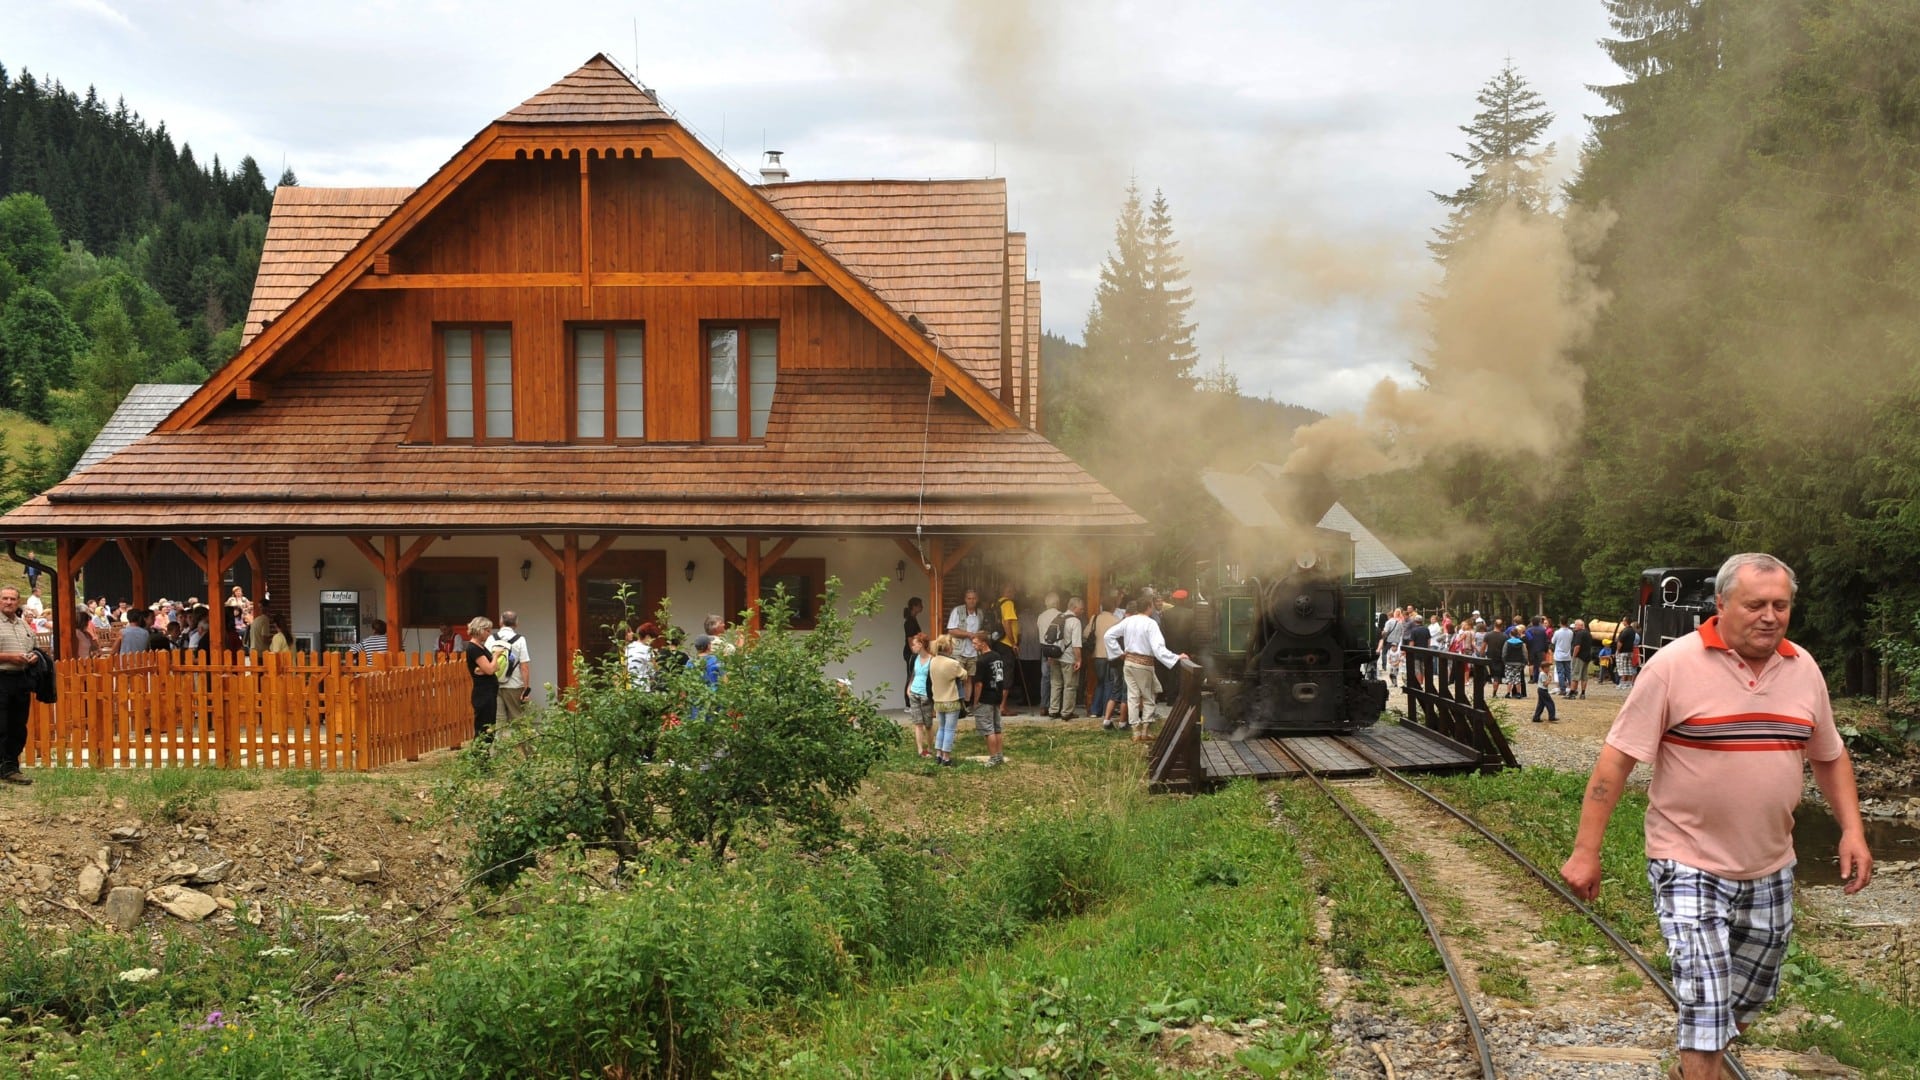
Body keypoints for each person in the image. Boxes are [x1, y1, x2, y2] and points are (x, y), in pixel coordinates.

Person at [1561, 553, 1871, 1080]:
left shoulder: (1804, 669)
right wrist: (1586, 850)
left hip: (1771, 865)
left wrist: (1853, 830)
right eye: (1755, 605)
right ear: (1722, 604)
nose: (1769, 616)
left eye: (1780, 605)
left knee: (1747, 996)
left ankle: (1696, 1068)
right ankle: (1701, 1064)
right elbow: (1617, 759)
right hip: (1686, 859)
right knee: (1705, 1004)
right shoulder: (1672, 666)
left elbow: (1828, 754)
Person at [1103, 596, 1188, 742]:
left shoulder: (1128, 620)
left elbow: (1108, 635)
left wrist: (1119, 653)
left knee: (1133, 696)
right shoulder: (1151, 623)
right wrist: (1175, 657)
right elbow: (1158, 647)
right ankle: (1144, 731)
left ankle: (1135, 732)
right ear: (1149, 607)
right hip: (1143, 664)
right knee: (1149, 697)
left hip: (1129, 663)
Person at [0, 587, 38, 786]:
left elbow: (34, 647)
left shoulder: (23, 625)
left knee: (17, 726)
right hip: (1, 678)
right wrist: (9, 657)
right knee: (1, 725)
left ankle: (11, 767)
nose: (8, 602)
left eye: (12, 599)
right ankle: (2, 768)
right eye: (5, 598)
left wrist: (33, 657)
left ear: (18, 601)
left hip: (21, 679)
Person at [487, 611, 534, 731]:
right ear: (516, 624)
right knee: (519, 721)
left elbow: (486, 662)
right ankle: (525, 749)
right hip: (514, 685)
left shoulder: (491, 638)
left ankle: (498, 749)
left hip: (494, 685)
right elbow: (524, 666)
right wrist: (526, 689)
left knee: (498, 723)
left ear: (501, 622)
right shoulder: (520, 640)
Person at [926, 634, 966, 767]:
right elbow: (963, 675)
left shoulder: (932, 661)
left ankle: (938, 754)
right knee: (949, 729)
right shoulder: (953, 663)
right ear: (949, 648)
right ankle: (946, 757)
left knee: (941, 727)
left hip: (938, 700)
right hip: (951, 700)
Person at [972, 631, 1009, 767]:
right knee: (997, 727)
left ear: (983, 643)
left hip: (985, 697)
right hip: (996, 695)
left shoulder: (982, 661)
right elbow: (1000, 677)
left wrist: (976, 701)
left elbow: (978, 683)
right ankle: (999, 755)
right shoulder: (997, 657)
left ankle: (993, 757)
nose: (973, 645)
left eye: (975, 643)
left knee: (988, 730)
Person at [1047, 596, 1085, 720]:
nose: (1082, 611)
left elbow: (1050, 638)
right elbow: (1076, 644)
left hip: (1055, 655)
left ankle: (1053, 710)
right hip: (1068, 657)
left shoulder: (1059, 617)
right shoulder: (1075, 621)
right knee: (1070, 685)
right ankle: (1066, 712)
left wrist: (1050, 655)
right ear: (1074, 608)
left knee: (1055, 684)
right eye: (1081, 608)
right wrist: (1079, 660)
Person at [463, 616, 499, 743]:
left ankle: (484, 756)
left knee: (490, 726)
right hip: (483, 693)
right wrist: (495, 656)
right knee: (484, 728)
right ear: (479, 630)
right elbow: (490, 669)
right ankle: (480, 757)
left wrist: (487, 668)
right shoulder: (474, 648)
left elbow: (496, 668)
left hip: (489, 691)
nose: (489, 634)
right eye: (487, 631)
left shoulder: (482, 647)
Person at [1091, 594, 1123, 728]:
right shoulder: (1116, 620)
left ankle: (1094, 710)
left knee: (1099, 683)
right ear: (1113, 607)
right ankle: (1106, 711)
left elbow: (1087, 633)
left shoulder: (1095, 618)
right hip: (1110, 656)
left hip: (1097, 655)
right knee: (1109, 683)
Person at [904, 632, 933, 758]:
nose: (912, 647)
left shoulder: (932, 659)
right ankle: (920, 750)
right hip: (914, 692)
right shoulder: (913, 658)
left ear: (921, 645)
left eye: (914, 644)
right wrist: (909, 687)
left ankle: (930, 748)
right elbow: (912, 674)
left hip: (926, 694)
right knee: (918, 723)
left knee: (928, 724)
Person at [1031, 591, 1061, 714]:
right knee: (1056, 678)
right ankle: (1055, 705)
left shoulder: (1041, 616)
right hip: (1057, 649)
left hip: (1044, 648)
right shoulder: (1060, 615)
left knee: (1045, 677)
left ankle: (1044, 705)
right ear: (1057, 603)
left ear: (1046, 603)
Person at [946, 588, 985, 681]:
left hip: (974, 652)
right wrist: (968, 634)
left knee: (969, 679)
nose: (972, 601)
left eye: (974, 598)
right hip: (959, 652)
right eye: (969, 598)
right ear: (965, 599)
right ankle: (960, 696)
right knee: (958, 679)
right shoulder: (957, 611)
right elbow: (951, 630)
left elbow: (983, 631)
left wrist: (980, 635)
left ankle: (967, 697)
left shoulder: (980, 613)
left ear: (977, 599)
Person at [900, 597, 924, 707]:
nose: (922, 607)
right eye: (920, 605)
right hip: (911, 653)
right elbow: (910, 639)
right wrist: (914, 652)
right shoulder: (909, 621)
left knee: (914, 675)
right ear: (914, 607)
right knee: (911, 676)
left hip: (914, 651)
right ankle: (908, 704)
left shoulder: (913, 619)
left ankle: (912, 701)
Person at [1500, 623, 1527, 699]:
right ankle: (1518, 693)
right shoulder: (1521, 643)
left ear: (1510, 634)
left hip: (1509, 662)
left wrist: (1504, 661)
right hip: (1518, 662)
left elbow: (1504, 653)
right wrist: (1524, 662)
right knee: (1517, 678)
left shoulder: (1507, 642)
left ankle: (1508, 693)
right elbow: (1524, 653)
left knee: (1509, 678)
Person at [1570, 618, 1594, 699]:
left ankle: (1572, 693)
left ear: (1581, 625)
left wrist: (1574, 655)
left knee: (1575, 675)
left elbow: (1577, 646)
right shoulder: (1588, 633)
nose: (1575, 627)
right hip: (1586, 657)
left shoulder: (1579, 634)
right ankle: (1583, 693)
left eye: (1576, 625)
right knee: (1584, 676)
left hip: (1579, 657)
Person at [1552, 618, 1576, 697]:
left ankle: (1563, 689)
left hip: (1559, 654)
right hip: (1567, 654)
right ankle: (1572, 687)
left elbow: (1553, 641)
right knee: (1568, 672)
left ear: (1560, 623)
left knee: (1560, 672)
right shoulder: (1571, 632)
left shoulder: (1557, 632)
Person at [1616, 618, 1641, 688]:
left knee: (1623, 667)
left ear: (1626, 622)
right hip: (1631, 651)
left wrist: (1618, 650)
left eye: (1623, 621)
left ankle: (1622, 683)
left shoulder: (1625, 631)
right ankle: (1629, 683)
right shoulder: (1633, 632)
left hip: (1623, 651)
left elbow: (1620, 642)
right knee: (1630, 668)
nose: (1622, 622)